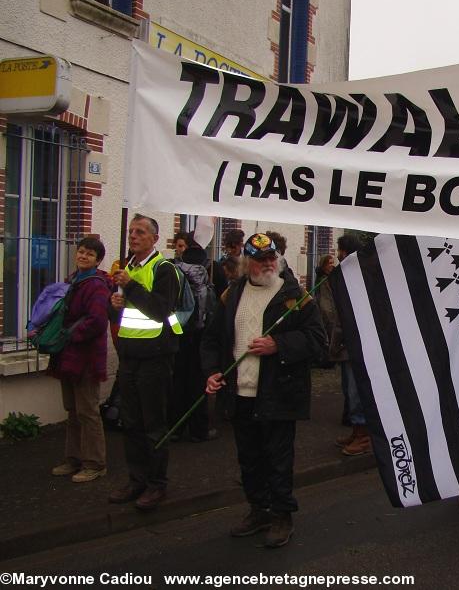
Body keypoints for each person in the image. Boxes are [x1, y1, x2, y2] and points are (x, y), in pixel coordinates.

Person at [201, 233, 325, 548]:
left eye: (272, 257)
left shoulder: (294, 296)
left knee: (278, 459)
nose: (269, 264)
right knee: (249, 458)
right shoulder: (232, 293)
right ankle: (259, 510)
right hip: (239, 393)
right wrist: (212, 371)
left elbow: (317, 340)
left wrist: (278, 344)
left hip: (278, 392)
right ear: (247, 263)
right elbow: (213, 339)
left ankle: (282, 515)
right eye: (261, 260)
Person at [108, 214, 182, 511]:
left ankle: (156, 484)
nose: (133, 236)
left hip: (155, 357)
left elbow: (160, 310)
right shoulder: (127, 268)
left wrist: (131, 288)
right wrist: (114, 307)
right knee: (132, 424)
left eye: (140, 232)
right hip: (129, 356)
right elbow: (123, 314)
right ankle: (136, 480)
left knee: (154, 424)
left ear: (154, 238)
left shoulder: (164, 269)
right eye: (131, 231)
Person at [45, 238, 114, 483]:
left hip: (86, 358)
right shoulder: (72, 281)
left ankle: (95, 463)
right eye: (81, 252)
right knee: (72, 410)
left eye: (90, 254)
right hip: (68, 357)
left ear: (98, 260)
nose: (83, 256)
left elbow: (97, 321)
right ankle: (73, 458)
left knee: (88, 411)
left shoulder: (96, 286)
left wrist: (69, 335)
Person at [169, 241, 216, 443]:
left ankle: (175, 427)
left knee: (177, 381)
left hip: (177, 333)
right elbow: (212, 309)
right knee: (198, 382)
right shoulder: (206, 274)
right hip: (200, 335)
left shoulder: (174, 273)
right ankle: (199, 429)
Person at [333, 233, 372, 456]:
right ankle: (357, 431)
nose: (338, 255)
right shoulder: (347, 275)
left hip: (359, 345)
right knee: (350, 389)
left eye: (341, 250)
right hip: (349, 344)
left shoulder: (360, 276)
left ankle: (363, 436)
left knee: (357, 391)